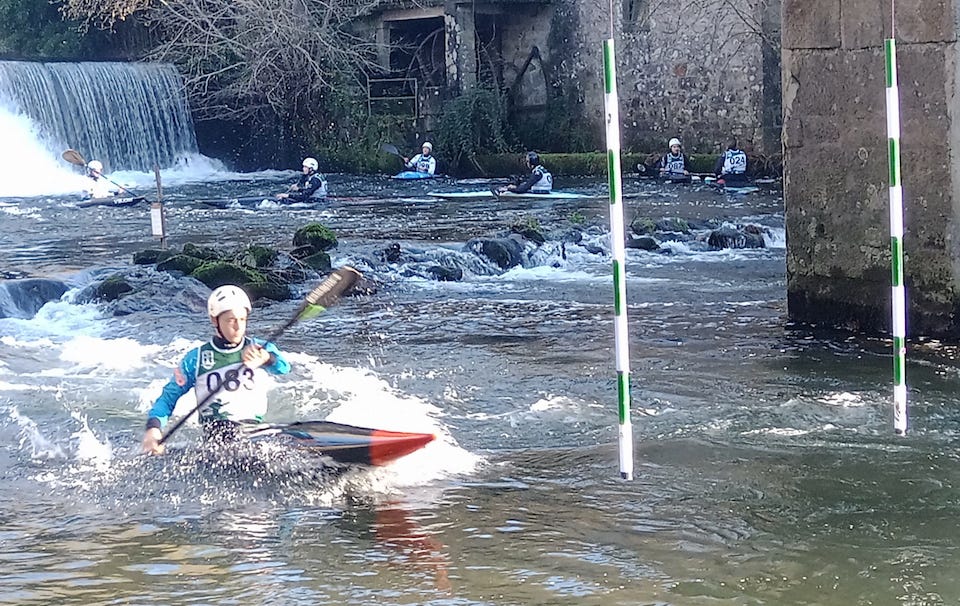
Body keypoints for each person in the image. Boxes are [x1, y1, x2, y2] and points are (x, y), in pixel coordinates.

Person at [141, 285, 291, 455]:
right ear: (215, 320)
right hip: (218, 434)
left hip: (254, 431)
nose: (238, 327)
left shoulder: (260, 348)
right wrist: (153, 429)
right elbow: (168, 398)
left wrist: (267, 358)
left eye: (242, 319)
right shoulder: (195, 359)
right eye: (231, 320)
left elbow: (284, 368)